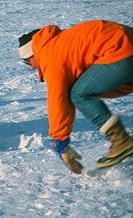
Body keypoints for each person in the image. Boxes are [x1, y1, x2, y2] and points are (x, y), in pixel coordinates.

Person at [18, 19, 132, 174]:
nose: (31, 67)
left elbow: (58, 98)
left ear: (32, 52)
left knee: (80, 94)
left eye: (27, 61)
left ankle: (120, 140)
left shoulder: (50, 54)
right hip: (123, 43)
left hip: (121, 49)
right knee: (81, 89)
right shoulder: (59, 42)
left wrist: (60, 141)